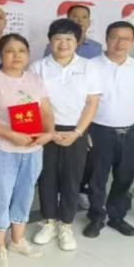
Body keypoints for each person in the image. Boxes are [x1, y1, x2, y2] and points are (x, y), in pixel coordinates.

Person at [0, 34, 56, 267]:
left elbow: (46, 112)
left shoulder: (35, 79)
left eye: (22, 50)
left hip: (32, 149)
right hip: (2, 149)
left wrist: (49, 133)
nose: (16, 55)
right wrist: (9, 134)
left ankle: (17, 240)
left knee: (25, 193)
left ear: (28, 54)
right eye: (10, 51)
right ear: (0, 55)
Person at [30, 18, 102, 251]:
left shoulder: (89, 67)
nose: (63, 43)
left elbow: (92, 102)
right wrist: (49, 132)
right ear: (50, 41)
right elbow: (32, 103)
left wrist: (78, 132)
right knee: (47, 178)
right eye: (58, 38)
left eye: (69, 39)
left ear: (77, 41)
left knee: (72, 179)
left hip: (76, 130)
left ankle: (66, 224)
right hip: (46, 131)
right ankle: (49, 222)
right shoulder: (38, 67)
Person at [83, 21, 134, 238]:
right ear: (106, 39)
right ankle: (96, 217)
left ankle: (117, 217)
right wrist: (85, 131)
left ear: (133, 41)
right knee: (97, 178)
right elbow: (84, 102)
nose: (120, 43)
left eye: (126, 39)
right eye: (115, 37)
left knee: (125, 177)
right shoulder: (90, 65)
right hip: (100, 131)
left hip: (131, 131)